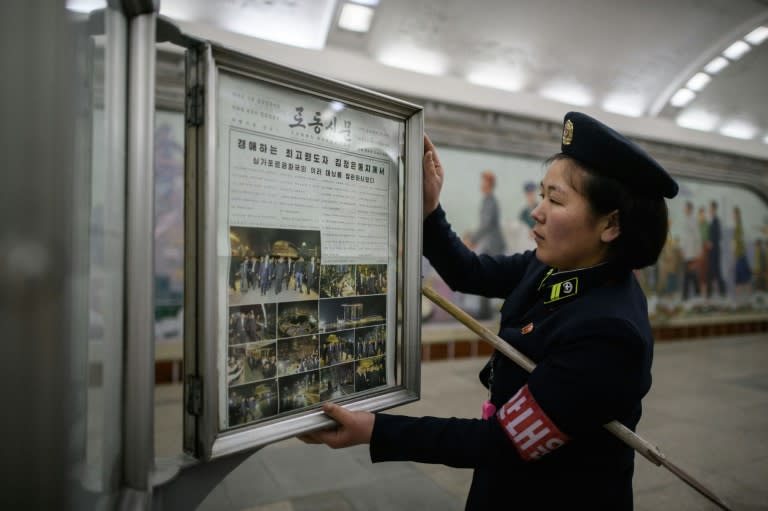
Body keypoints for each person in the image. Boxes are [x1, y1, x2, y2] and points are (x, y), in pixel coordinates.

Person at [300, 111, 679, 510]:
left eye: (556, 199)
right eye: (542, 196)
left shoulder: (609, 332)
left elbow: (503, 440)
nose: (538, 211)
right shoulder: (553, 265)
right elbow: (471, 272)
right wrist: (430, 210)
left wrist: (375, 429)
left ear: (611, 224)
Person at [679, 201, 701, 300]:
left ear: (690, 209)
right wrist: (682, 249)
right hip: (686, 252)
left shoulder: (693, 220)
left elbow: (697, 237)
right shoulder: (685, 220)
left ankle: (689, 295)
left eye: (686, 208)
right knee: (689, 274)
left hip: (692, 252)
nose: (685, 209)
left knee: (690, 274)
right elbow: (683, 238)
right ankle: (694, 293)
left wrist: (697, 252)